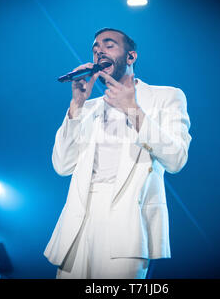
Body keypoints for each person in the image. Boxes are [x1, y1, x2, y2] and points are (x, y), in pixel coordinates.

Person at [44, 28, 192, 279]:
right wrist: (76, 106)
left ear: (131, 57)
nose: (99, 50)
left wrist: (132, 109)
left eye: (109, 45)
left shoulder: (165, 97)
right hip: (78, 224)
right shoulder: (87, 107)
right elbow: (62, 165)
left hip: (128, 223)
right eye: (95, 48)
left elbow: (176, 158)